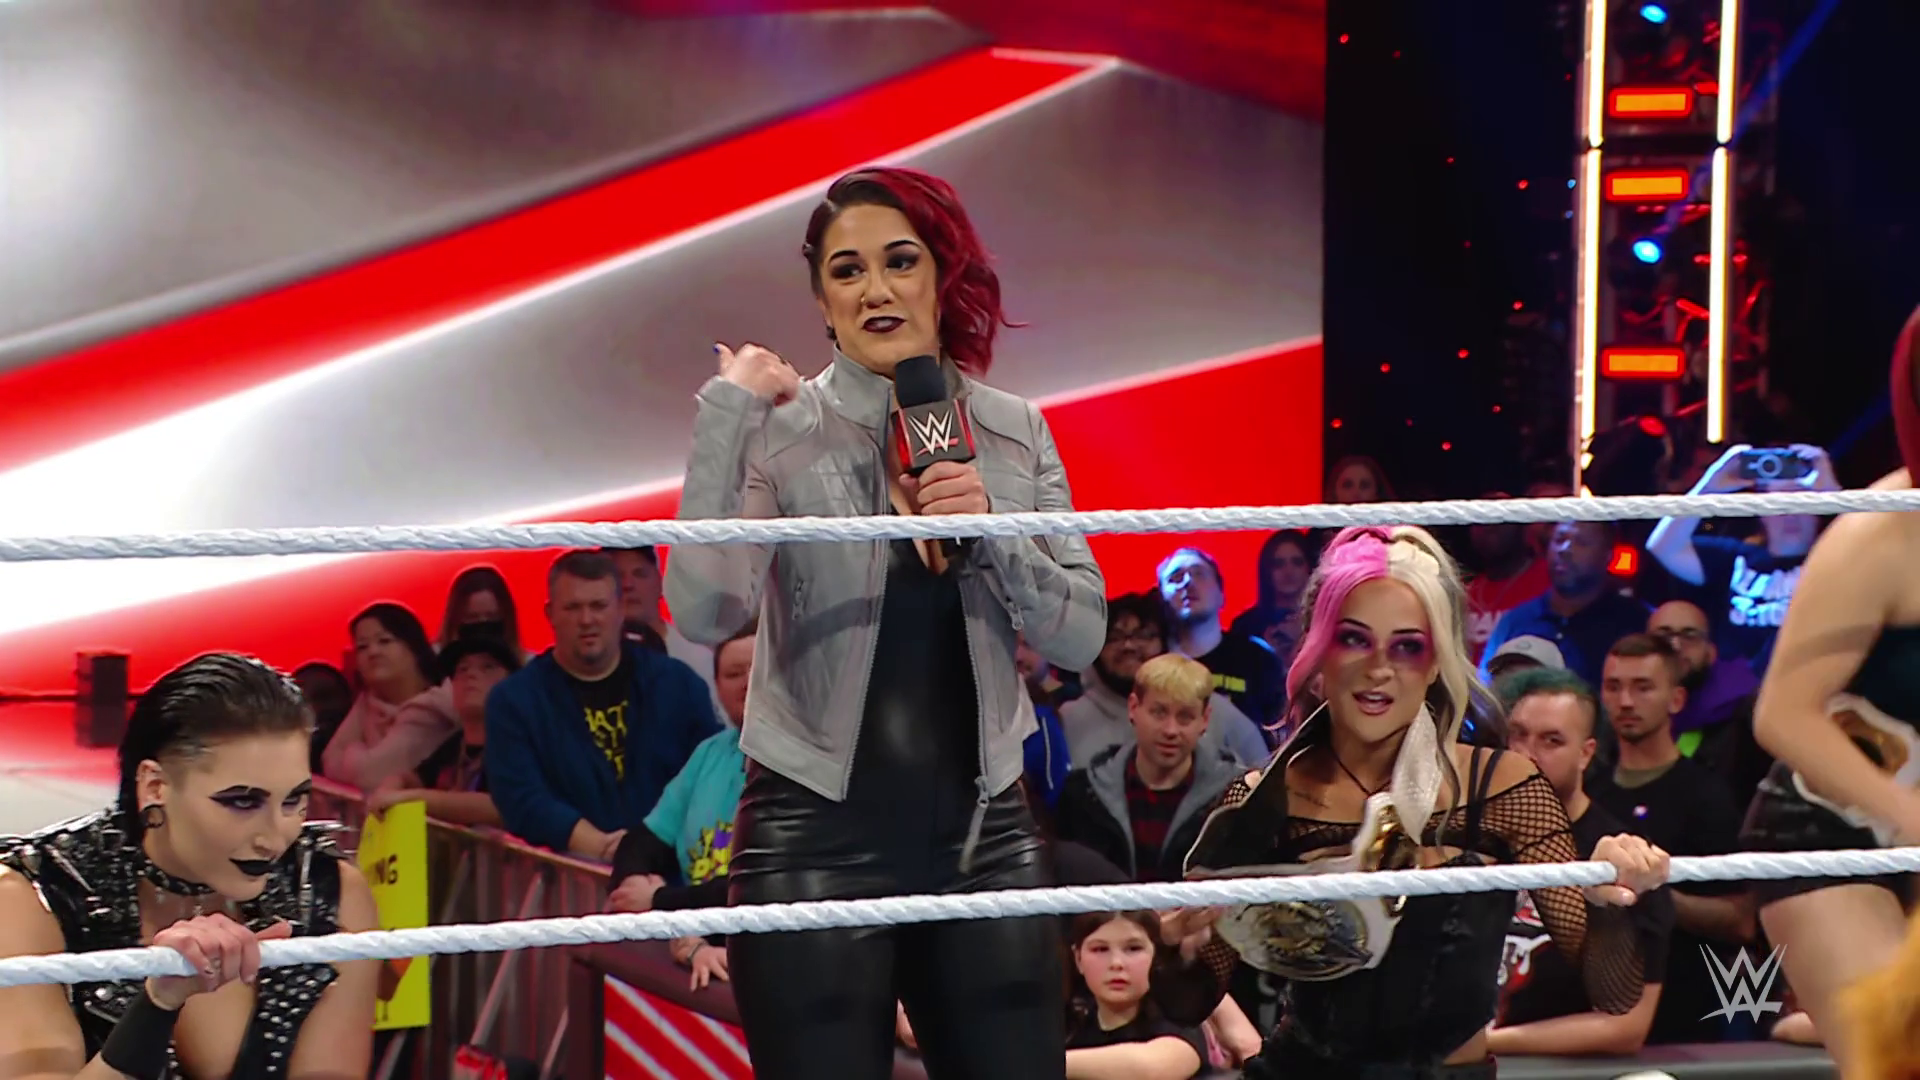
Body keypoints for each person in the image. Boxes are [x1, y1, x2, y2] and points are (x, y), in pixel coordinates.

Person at [664, 165, 1106, 1080]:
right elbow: (706, 610)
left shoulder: (1014, 430)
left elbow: (1081, 636)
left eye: (900, 261)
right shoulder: (781, 428)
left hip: (986, 839)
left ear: (942, 275)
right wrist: (727, 413)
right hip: (811, 840)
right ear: (822, 303)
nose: (875, 289)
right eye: (847, 270)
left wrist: (995, 532)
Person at [1168, 525, 1669, 1079]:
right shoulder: (1263, 796)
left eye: (1407, 646)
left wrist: (1610, 901)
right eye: (1355, 639)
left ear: (1435, 664)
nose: (1379, 668)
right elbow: (1189, 1003)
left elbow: (1615, 994)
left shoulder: (1501, 786)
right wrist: (1179, 950)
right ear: (1320, 650)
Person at [0, 652, 380, 1080]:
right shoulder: (29, 898)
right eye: (242, 802)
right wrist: (157, 1005)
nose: (275, 837)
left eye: (294, 800)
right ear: (155, 786)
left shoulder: (328, 891)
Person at [1739, 306, 1920, 1076]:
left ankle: (1821, 1017)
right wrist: (1910, 818)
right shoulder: (1880, 534)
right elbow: (1782, 712)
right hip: (1827, 834)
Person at [487, 551, 719, 861]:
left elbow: (710, 776)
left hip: (671, 871)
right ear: (550, 614)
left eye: (598, 606)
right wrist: (599, 845)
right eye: (573, 607)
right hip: (569, 874)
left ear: (621, 610)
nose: (587, 620)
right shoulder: (514, 701)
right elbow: (520, 796)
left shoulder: (678, 685)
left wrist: (649, 846)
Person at [1490, 667, 1672, 1057]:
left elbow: (1624, 1026)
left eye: (1551, 740)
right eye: (1518, 734)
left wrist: (1483, 1045)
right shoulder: (1467, 839)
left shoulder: (1623, 862)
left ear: (1585, 754)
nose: (1526, 754)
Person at [1644, 442, 1833, 675]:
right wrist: (1710, 487)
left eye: (1802, 500)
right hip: (1736, 692)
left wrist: (1834, 494)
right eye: (1780, 502)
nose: (1790, 514)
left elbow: (1874, 556)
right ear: (1761, 509)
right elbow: (1663, 546)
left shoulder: (1837, 563)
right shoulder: (1735, 557)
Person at [1064, 911, 1208, 1080]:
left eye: (1133, 948)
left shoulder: (1179, 1018)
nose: (1116, 963)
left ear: (1156, 955)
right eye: (1100, 949)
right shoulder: (1070, 1026)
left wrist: (1047, 1063)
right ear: (1078, 959)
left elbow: (1153, 1067)